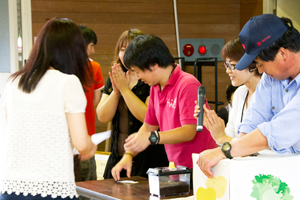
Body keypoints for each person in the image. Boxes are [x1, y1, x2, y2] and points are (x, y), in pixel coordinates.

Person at [0, 18, 97, 200]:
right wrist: (91, 147)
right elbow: (81, 144)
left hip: (10, 187)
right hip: (52, 188)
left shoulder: (13, 82)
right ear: (73, 51)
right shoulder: (67, 82)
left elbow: (15, 130)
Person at [197, 14, 300, 178]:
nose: (259, 71)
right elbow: (252, 121)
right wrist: (239, 152)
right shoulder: (270, 79)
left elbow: (281, 129)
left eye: (261, 64)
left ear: (282, 54)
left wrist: (226, 151)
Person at [111, 34, 217, 181]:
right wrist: (128, 155)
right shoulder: (155, 87)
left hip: (201, 168)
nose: (137, 76)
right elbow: (149, 126)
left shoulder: (188, 85)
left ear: (154, 65)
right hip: (177, 168)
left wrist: (152, 138)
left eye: (137, 71)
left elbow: (189, 131)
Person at [96, 30, 169, 179]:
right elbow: (102, 116)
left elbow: (147, 117)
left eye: (129, 49)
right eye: (122, 49)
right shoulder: (116, 75)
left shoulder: (150, 79)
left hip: (147, 158)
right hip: (118, 156)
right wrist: (116, 92)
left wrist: (124, 90)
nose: (124, 54)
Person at [194, 37, 261, 144]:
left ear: (251, 63)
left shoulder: (269, 93)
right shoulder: (240, 93)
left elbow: (260, 145)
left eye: (232, 65)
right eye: (226, 65)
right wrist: (212, 124)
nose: (227, 70)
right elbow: (230, 135)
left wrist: (222, 137)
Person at [73, 25, 104, 185]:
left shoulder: (62, 68)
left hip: (66, 140)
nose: (92, 51)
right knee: (89, 185)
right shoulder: (94, 67)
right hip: (87, 134)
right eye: (91, 46)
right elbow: (96, 101)